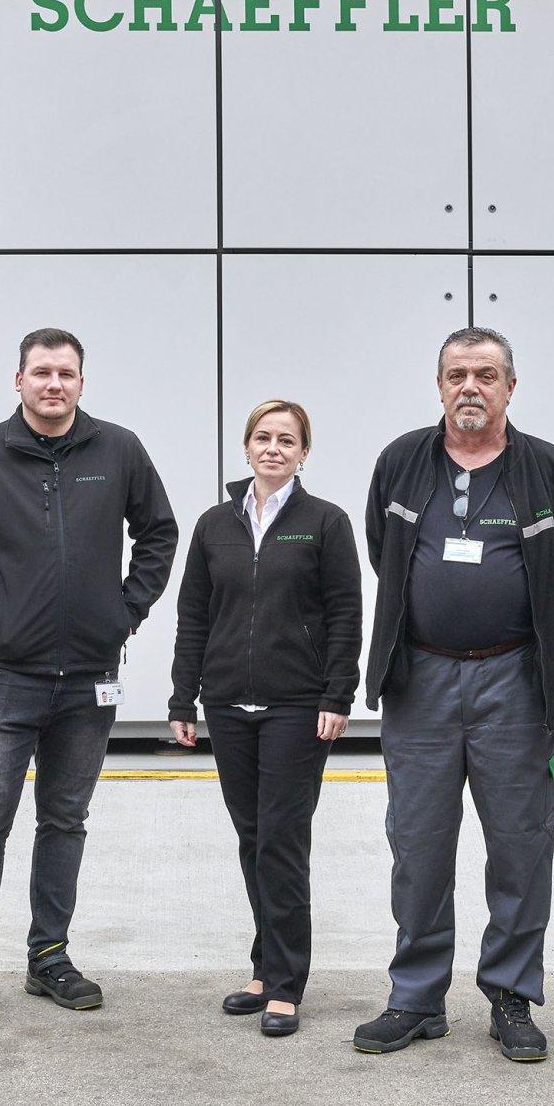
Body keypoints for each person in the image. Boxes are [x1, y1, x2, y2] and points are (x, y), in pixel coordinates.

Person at [0, 327, 179, 1027]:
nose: (54, 384)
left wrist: (125, 612)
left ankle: (50, 957)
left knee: (64, 819)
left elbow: (159, 532)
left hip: (90, 679)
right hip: (4, 675)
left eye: (66, 373)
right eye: (41, 372)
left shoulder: (118, 450)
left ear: (81, 383)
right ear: (19, 381)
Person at [352, 327, 554, 1063]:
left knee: (521, 844)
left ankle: (511, 996)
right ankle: (416, 998)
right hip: (420, 682)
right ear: (438, 385)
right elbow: (384, 553)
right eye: (457, 373)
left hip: (516, 681)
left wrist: (514, 626)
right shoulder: (401, 462)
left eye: (486, 375)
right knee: (418, 844)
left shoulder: (549, 470)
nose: (470, 387)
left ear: (510, 388)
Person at [168, 400, 364, 1038]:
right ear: (246, 447)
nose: (273, 448)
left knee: (282, 839)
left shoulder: (325, 522)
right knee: (252, 838)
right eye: (263, 437)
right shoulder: (213, 525)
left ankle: (285, 984)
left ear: (304, 453)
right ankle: (264, 966)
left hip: (297, 707)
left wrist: (337, 695)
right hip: (228, 704)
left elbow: (345, 615)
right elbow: (194, 615)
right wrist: (183, 699)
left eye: (287, 439)